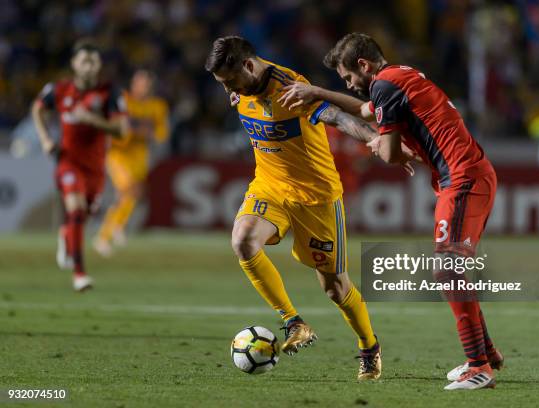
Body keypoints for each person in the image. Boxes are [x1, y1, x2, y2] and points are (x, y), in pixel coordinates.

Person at [279, 33, 503, 390]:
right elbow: (367, 111)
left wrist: (384, 146)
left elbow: (388, 152)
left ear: (363, 66)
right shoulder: (398, 76)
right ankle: (485, 354)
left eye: (349, 78)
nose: (350, 86)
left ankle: (479, 366)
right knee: (452, 268)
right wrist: (319, 93)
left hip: (463, 179)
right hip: (466, 176)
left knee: (447, 269)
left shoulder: (384, 86)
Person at [204, 36, 404, 380]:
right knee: (243, 241)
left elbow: (339, 119)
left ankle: (369, 347)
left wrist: (374, 138)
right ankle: (294, 322)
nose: (228, 90)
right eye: (223, 84)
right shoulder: (240, 87)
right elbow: (239, 94)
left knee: (335, 288)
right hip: (270, 185)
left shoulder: (293, 89)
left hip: (316, 197)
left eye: (231, 82)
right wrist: (235, 89)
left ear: (249, 67)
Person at [32, 39, 128, 291]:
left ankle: (66, 235)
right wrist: (44, 139)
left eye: (93, 61)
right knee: (75, 211)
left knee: (84, 215)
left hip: (95, 167)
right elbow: (38, 109)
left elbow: (121, 131)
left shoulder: (110, 92)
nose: (88, 66)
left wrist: (92, 120)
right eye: (84, 60)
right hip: (68, 161)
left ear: (99, 65)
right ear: (74, 64)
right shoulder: (59, 89)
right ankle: (80, 274)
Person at [94, 69, 169, 256]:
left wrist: (137, 130)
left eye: (147, 83)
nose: (144, 87)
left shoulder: (157, 106)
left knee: (134, 194)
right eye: (141, 82)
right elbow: (115, 127)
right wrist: (141, 130)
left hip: (139, 156)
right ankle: (102, 237)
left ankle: (118, 225)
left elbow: (161, 134)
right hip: (118, 154)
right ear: (134, 83)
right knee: (127, 191)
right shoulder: (123, 100)